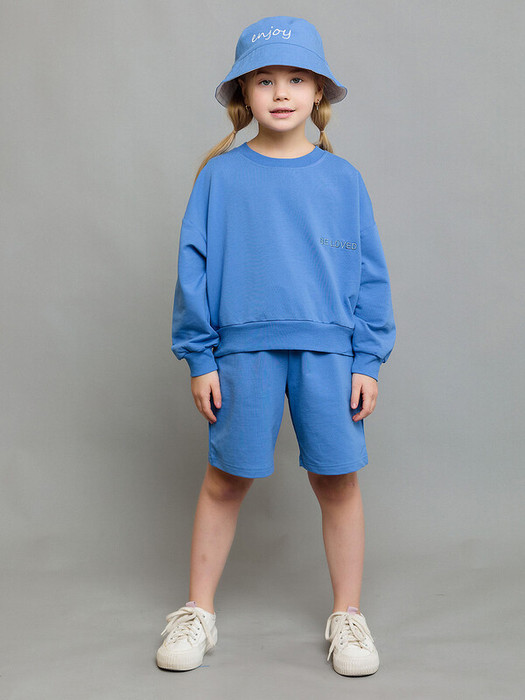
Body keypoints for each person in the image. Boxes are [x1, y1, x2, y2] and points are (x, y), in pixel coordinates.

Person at [156, 15, 396, 678]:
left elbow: (369, 274)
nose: (281, 92)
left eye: (296, 79)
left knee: (337, 480)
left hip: (329, 355)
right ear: (244, 93)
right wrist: (200, 356)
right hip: (242, 354)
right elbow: (193, 268)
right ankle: (198, 611)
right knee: (225, 479)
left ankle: (347, 614)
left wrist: (367, 359)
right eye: (264, 80)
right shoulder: (220, 177)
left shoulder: (342, 180)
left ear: (318, 92)